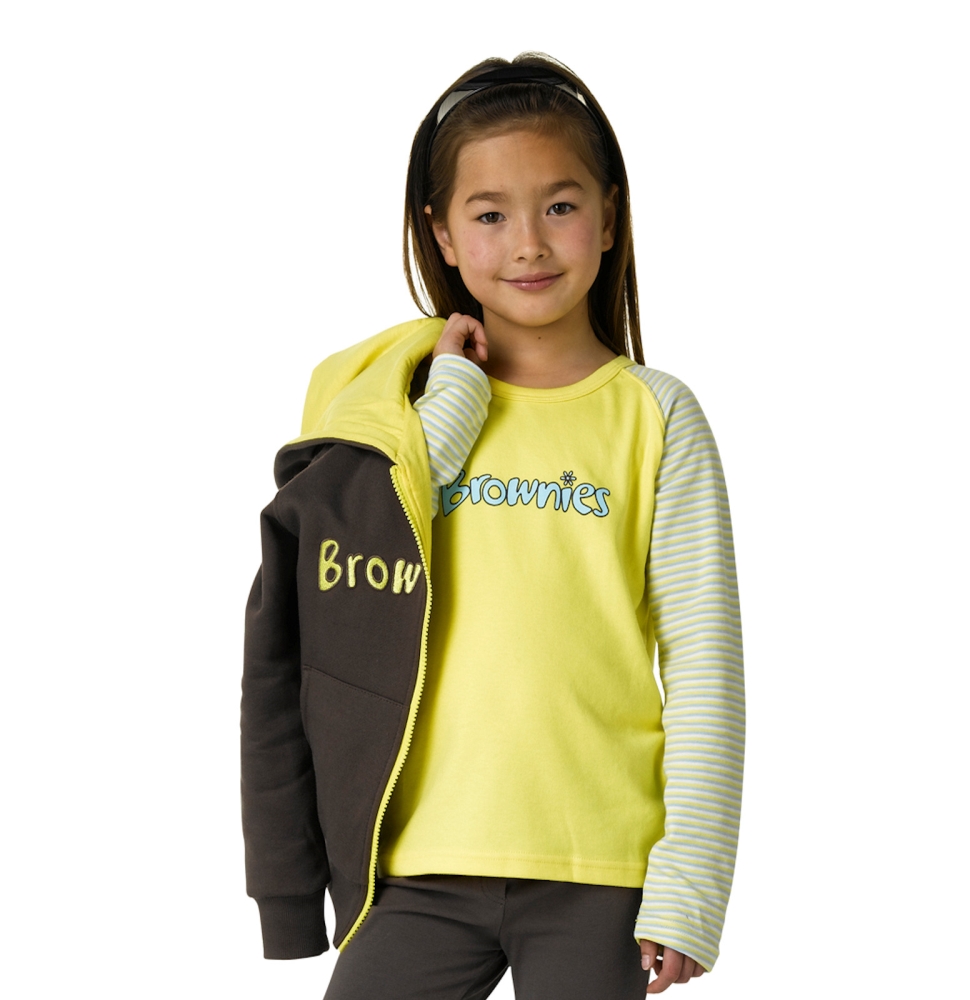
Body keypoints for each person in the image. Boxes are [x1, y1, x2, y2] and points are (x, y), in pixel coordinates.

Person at [240, 52, 745, 1000]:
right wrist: (455, 393)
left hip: (599, 868)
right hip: (419, 862)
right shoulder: (396, 412)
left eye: (560, 205)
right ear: (440, 232)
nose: (529, 244)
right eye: (489, 215)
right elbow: (355, 562)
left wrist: (691, 883)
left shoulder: (656, 416)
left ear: (608, 217)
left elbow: (705, 662)